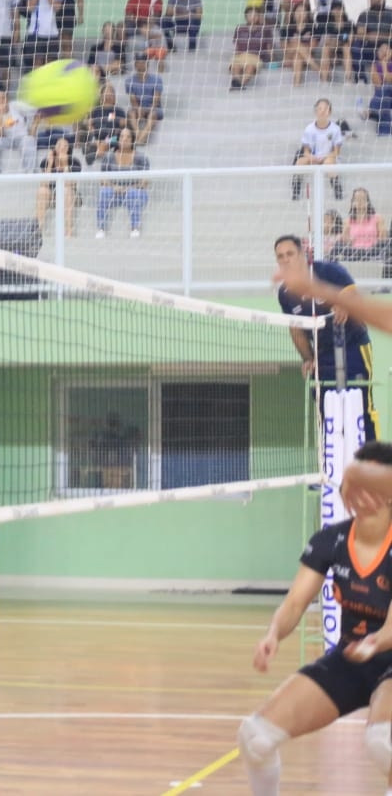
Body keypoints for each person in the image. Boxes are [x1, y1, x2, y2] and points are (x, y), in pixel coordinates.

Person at [237, 440, 392, 796]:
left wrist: (374, 644)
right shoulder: (330, 540)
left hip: (387, 655)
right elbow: (294, 604)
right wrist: (273, 635)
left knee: (383, 743)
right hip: (351, 658)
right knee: (255, 737)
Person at [273, 234, 379, 440]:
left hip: (354, 346)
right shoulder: (285, 293)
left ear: (303, 254)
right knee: (327, 412)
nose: (285, 260)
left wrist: (343, 305)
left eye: (290, 254)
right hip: (324, 355)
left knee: (362, 407)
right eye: (280, 257)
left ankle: (376, 463)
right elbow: (296, 329)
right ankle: (333, 467)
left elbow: (353, 296)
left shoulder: (330, 272)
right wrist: (308, 358)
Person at [292, 98, 344, 201]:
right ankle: (295, 190)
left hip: (328, 157)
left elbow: (336, 151)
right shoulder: (309, 129)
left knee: (329, 164)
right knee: (300, 162)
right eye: (319, 109)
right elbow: (306, 151)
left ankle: (338, 191)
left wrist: (326, 157)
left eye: (325, 109)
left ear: (329, 112)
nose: (322, 111)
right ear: (316, 111)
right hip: (314, 158)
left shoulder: (335, 129)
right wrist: (312, 157)